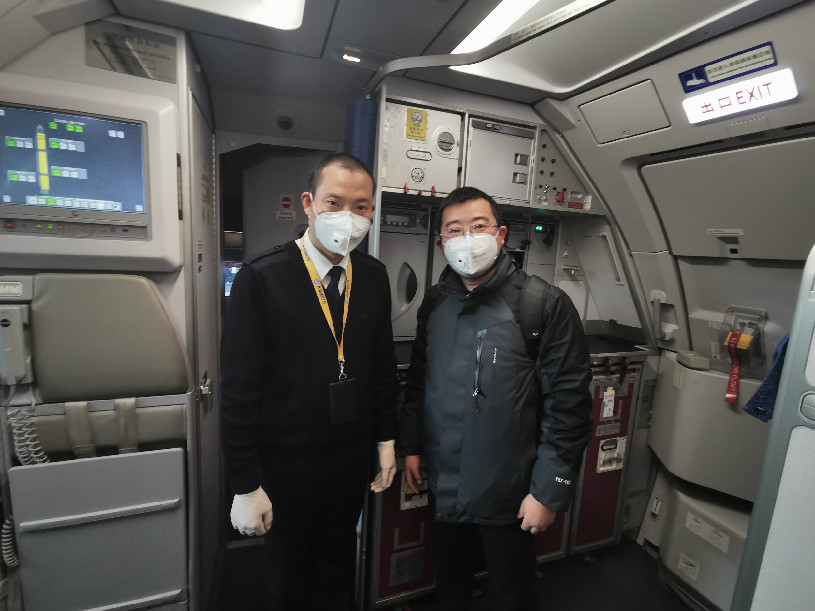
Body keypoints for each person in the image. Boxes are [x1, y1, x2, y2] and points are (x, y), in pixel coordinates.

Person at [398, 186, 593, 611]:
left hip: (509, 490)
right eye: (454, 230)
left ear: (501, 235)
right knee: (450, 583)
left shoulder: (543, 304)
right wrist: (411, 446)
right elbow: (419, 379)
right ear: (442, 243)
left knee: (511, 592)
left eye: (479, 226)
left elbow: (569, 408)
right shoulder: (435, 302)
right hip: (444, 479)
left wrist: (547, 491)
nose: (467, 238)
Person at [220, 152, 399, 610]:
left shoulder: (374, 277)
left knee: (338, 567)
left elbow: (381, 366)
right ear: (308, 203)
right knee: (288, 576)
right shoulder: (262, 277)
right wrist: (244, 482)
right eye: (334, 202)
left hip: (349, 458)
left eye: (361, 206)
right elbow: (239, 391)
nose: (348, 216)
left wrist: (385, 440)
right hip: (285, 464)